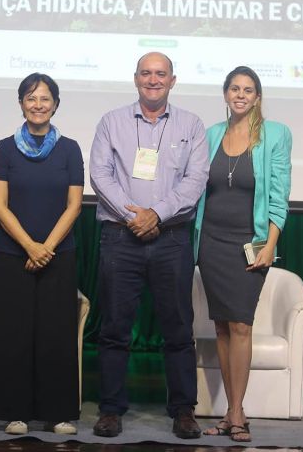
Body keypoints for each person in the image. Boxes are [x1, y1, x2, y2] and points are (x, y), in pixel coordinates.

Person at [89, 52, 209, 439]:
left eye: (160, 74)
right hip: (120, 238)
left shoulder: (192, 125)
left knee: (177, 328)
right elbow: (101, 175)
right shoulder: (112, 122)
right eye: (146, 73)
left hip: (172, 239)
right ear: (135, 78)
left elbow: (195, 181)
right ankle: (110, 409)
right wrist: (134, 217)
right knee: (114, 328)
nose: (153, 80)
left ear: (173, 80)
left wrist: (155, 214)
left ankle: (183, 411)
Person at [0, 73, 84, 435]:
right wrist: (29, 246)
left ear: (56, 104)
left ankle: (58, 413)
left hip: (58, 253)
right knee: (14, 333)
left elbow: (74, 206)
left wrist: (47, 248)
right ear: (21, 104)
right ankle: (14, 412)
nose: (38, 105)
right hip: (12, 254)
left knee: (56, 333)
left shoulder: (70, 148)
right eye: (30, 98)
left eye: (44, 98)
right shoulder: (5, 149)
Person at [192, 66, 292, 443]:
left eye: (248, 89)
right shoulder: (211, 134)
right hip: (211, 242)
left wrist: (270, 243)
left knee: (241, 325)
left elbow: (280, 195)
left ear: (258, 96)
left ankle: (236, 412)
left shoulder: (276, 134)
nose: (240, 95)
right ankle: (233, 410)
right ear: (225, 94)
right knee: (220, 325)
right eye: (234, 88)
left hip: (249, 243)